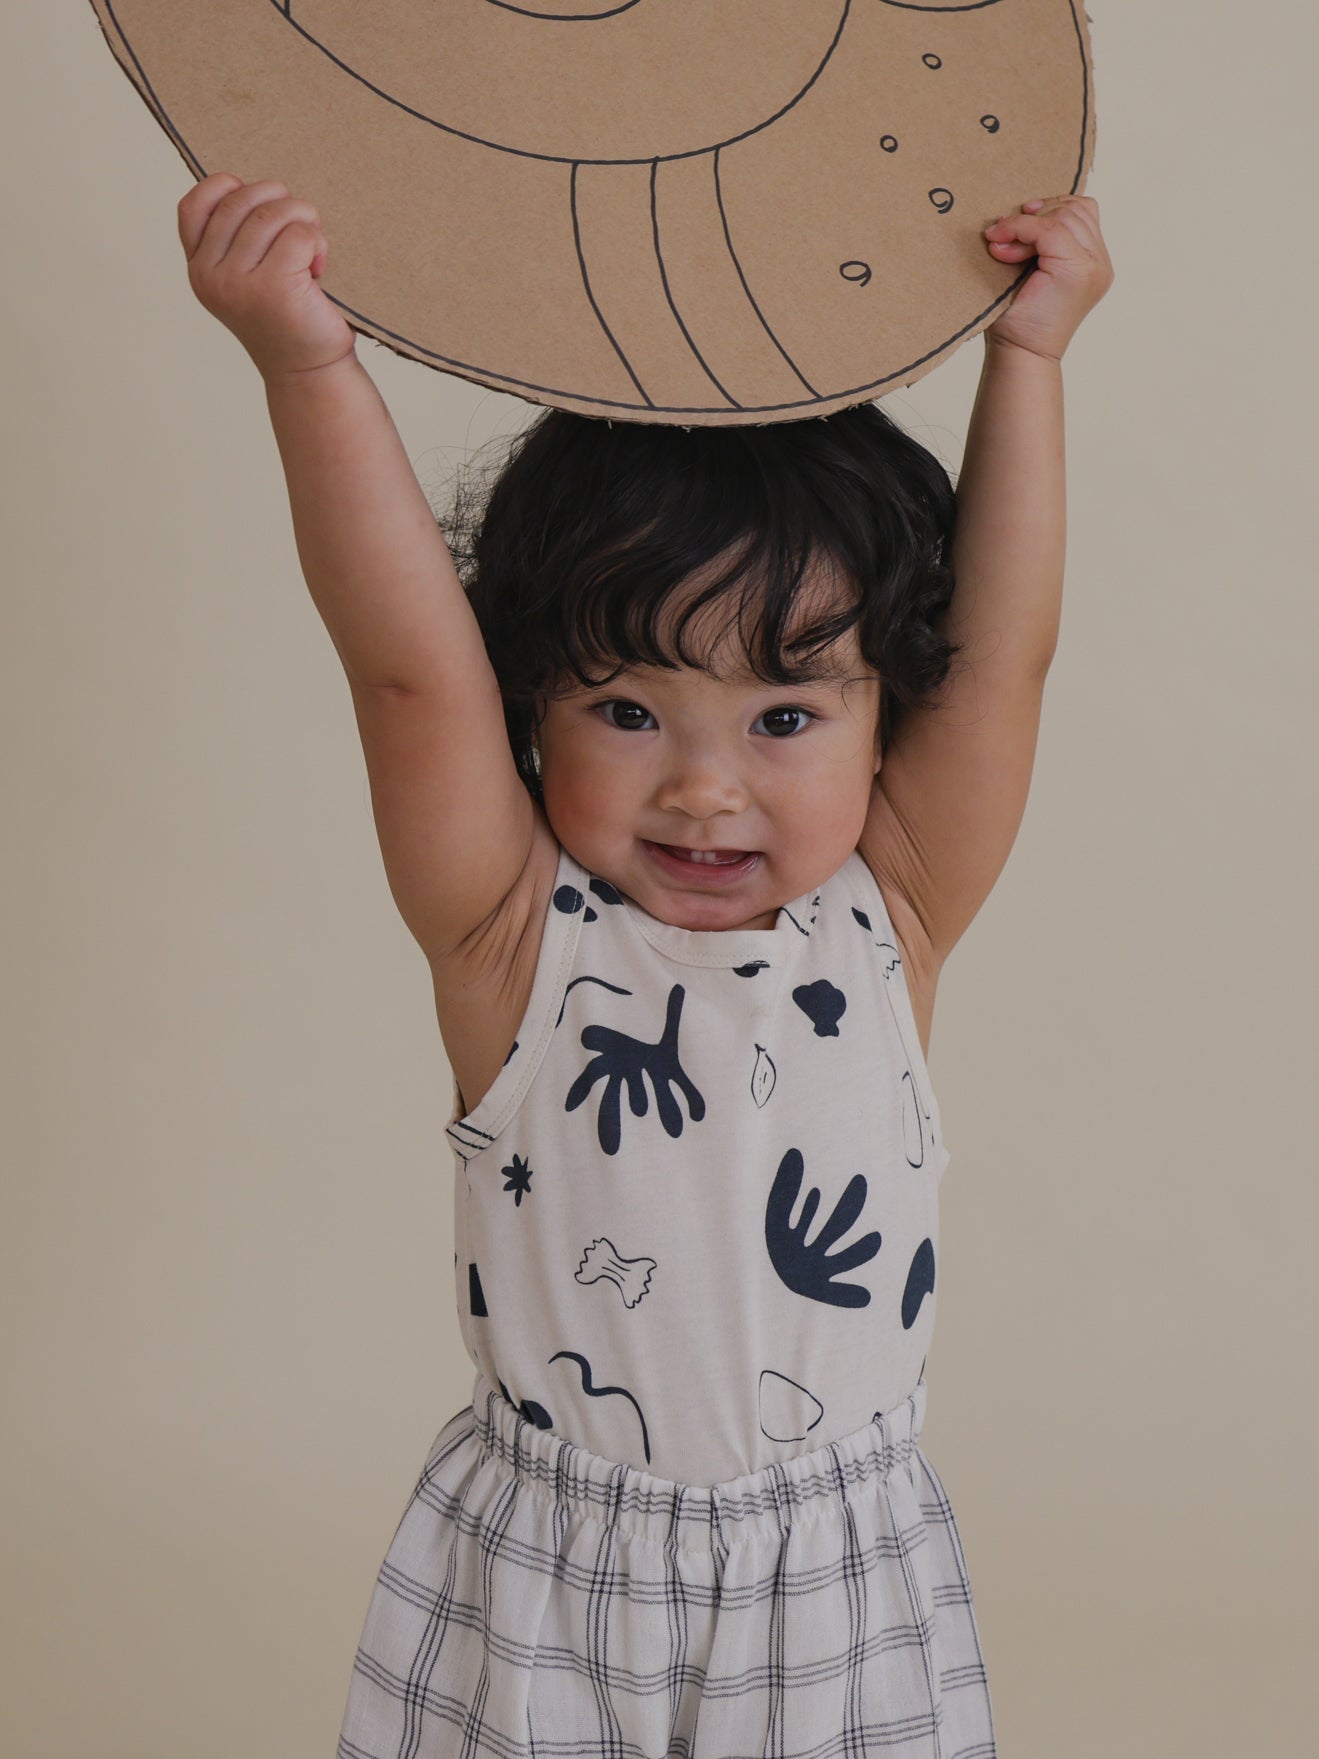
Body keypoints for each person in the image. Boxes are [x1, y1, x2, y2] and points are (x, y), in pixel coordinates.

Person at [177, 171, 1113, 1757]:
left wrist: (1030, 362)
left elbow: (1007, 649)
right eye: (626, 709)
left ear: (890, 709)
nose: (704, 784)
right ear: (529, 701)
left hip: (836, 1583)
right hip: (558, 1590)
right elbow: (405, 669)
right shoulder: (515, 938)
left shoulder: (893, 909)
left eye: (786, 716)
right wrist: (307, 367)